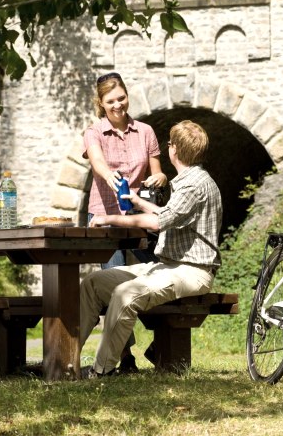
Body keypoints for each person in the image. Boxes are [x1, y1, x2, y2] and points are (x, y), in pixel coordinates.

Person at [79, 120, 222, 378]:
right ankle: (63, 360)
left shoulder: (194, 185)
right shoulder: (190, 180)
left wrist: (107, 217)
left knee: (125, 294)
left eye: (169, 143)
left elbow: (159, 222)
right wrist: (136, 201)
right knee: (93, 283)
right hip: (167, 266)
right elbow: (169, 213)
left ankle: (101, 371)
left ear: (174, 151)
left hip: (192, 271)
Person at [82, 71, 168, 373]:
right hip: (105, 213)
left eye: (121, 98)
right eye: (110, 101)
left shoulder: (144, 131)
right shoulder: (94, 132)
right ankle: (125, 357)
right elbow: (97, 162)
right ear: (101, 104)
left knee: (162, 268)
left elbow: (159, 171)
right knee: (113, 283)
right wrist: (109, 176)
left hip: (140, 214)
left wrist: (157, 177)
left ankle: (163, 343)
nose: (117, 105)